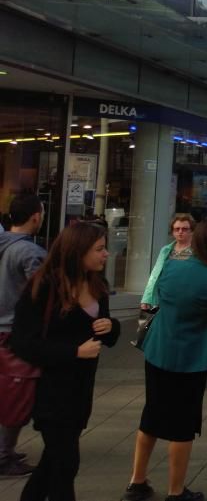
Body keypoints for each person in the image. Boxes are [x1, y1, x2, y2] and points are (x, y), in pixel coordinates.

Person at [122, 220, 207, 501]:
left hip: (158, 349)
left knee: (152, 414)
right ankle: (175, 491)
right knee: (183, 425)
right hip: (191, 357)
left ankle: (137, 482)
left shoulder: (172, 266)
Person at [9, 222, 120, 501]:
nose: (105, 254)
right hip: (48, 393)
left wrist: (112, 327)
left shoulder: (98, 285)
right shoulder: (43, 286)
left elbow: (104, 337)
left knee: (51, 464)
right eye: (99, 249)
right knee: (66, 464)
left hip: (80, 393)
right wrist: (73, 352)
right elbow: (22, 342)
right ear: (76, 251)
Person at [0, 195, 46, 477]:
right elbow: (43, 294)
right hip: (14, 332)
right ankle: (3, 455)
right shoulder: (31, 253)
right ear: (35, 217)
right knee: (15, 395)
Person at [139, 214, 196, 313]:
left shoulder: (197, 251)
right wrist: (146, 298)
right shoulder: (166, 250)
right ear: (172, 231)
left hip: (188, 299)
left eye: (184, 229)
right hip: (165, 299)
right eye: (177, 229)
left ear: (191, 230)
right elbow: (155, 275)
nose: (180, 232)